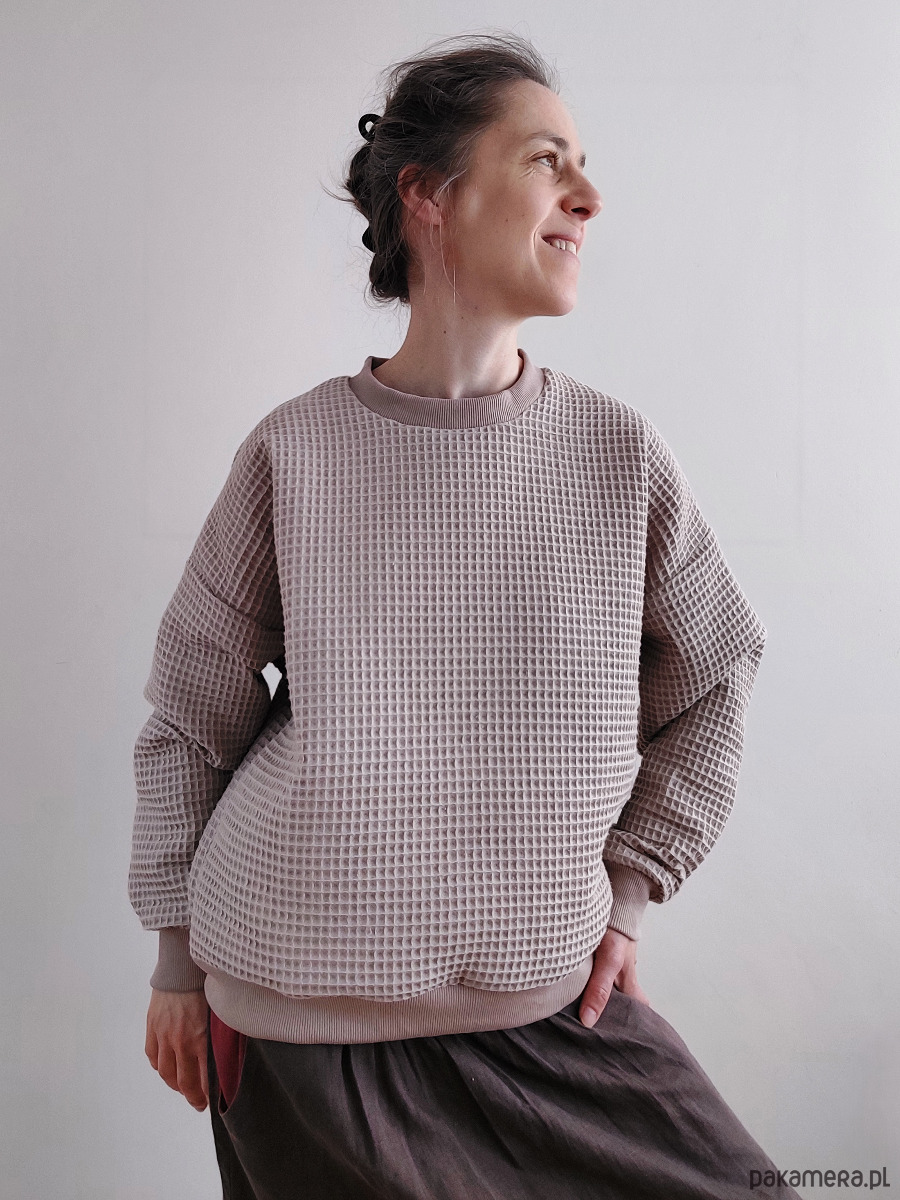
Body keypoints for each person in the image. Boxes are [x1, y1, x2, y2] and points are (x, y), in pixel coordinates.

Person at [128, 31, 799, 1200]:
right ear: (429, 195)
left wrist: (630, 893)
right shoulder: (296, 452)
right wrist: (176, 966)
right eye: (547, 160)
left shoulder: (618, 455)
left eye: (584, 165)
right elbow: (191, 718)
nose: (588, 195)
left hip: (550, 1012)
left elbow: (716, 677)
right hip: (294, 1020)